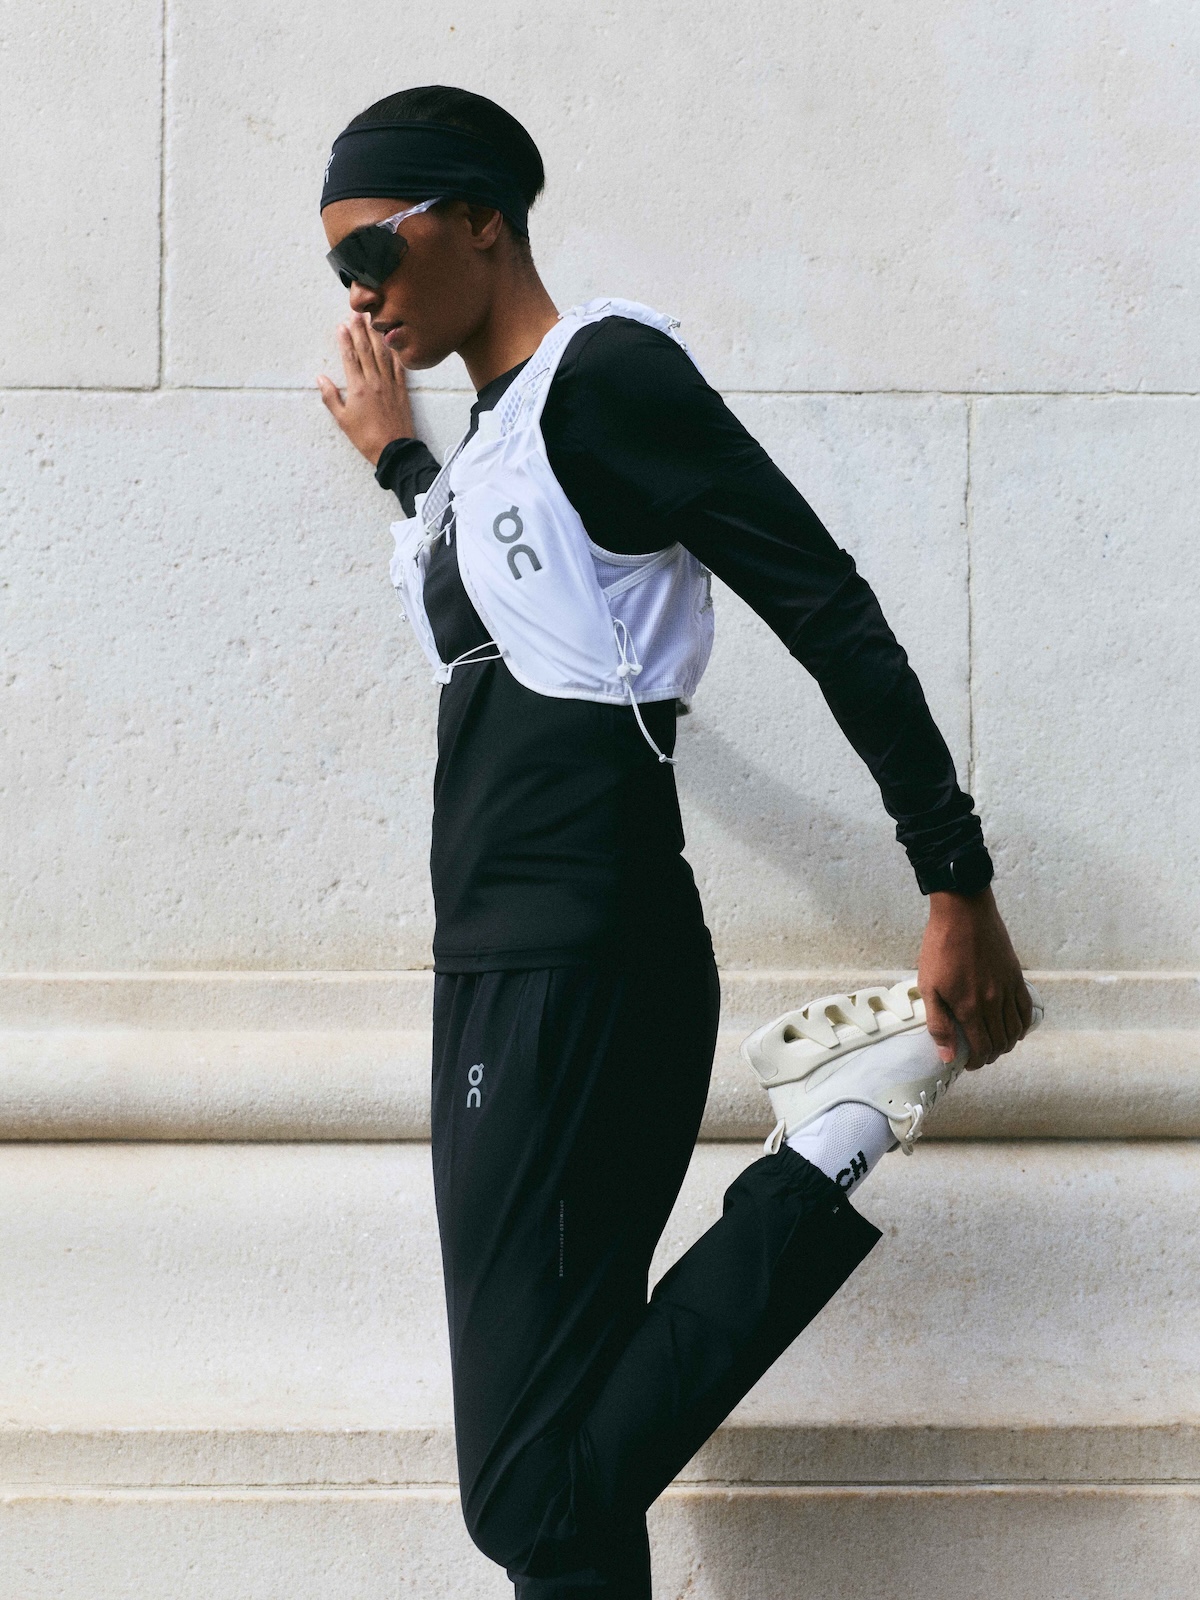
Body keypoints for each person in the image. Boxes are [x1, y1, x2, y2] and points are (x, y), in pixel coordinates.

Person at [318, 84, 1035, 1600]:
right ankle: (829, 1140)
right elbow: (512, 589)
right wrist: (399, 462)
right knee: (573, 1486)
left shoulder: (610, 378)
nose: (361, 294)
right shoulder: (501, 439)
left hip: (585, 957)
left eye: (374, 248)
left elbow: (825, 604)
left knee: (523, 1496)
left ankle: (831, 1139)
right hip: (499, 965)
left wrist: (952, 874)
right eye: (337, 270)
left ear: (483, 218)